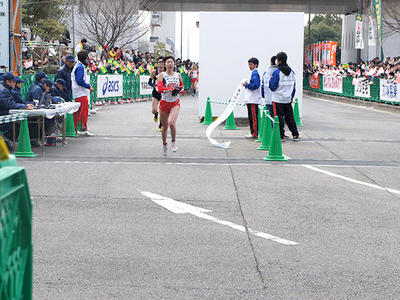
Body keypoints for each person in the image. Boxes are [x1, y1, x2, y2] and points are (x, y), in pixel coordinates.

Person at [157, 56, 184, 156]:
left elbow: (182, 88)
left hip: (175, 103)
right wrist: (171, 89)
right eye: (167, 62)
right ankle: (164, 145)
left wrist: (179, 90)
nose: (169, 64)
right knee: (164, 127)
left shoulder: (178, 75)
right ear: (165, 64)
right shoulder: (161, 75)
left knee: (172, 123)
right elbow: (160, 89)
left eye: (171, 62)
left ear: (174, 64)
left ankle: (173, 142)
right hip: (164, 103)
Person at [269, 51, 299, 141]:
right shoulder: (292, 72)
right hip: (287, 99)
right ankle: (295, 134)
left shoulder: (276, 72)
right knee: (290, 117)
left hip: (277, 99)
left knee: (278, 117)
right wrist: (291, 97)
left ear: (279, 61)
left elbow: (273, 87)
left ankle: (281, 135)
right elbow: (294, 86)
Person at [0, 73, 34, 142]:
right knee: (20, 122)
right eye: (13, 81)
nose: (15, 83)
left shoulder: (5, 88)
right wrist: (25, 106)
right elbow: (10, 104)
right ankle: (6, 139)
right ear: (7, 82)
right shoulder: (3, 90)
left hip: (3, 114)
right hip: (2, 116)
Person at [71, 50, 94, 136]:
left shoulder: (79, 66)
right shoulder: (80, 67)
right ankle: (82, 128)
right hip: (80, 93)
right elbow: (79, 80)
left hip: (78, 92)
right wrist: (88, 86)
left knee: (78, 112)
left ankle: (77, 128)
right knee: (83, 112)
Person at [242, 57, 262, 139]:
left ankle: (254, 133)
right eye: (249, 64)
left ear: (256, 65)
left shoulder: (255, 73)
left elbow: (255, 85)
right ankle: (253, 132)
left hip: (253, 99)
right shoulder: (252, 73)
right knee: (251, 116)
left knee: (253, 116)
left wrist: (246, 85)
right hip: (251, 99)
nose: (249, 66)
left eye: (251, 64)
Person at [149, 57, 164, 131]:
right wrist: (153, 85)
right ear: (157, 64)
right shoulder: (154, 72)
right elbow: (149, 82)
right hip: (155, 92)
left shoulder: (166, 73)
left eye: (162, 62)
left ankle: (161, 125)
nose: (161, 63)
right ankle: (155, 114)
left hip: (163, 93)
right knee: (154, 110)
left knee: (162, 110)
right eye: (159, 62)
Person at [262, 55, 277, 120]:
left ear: (270, 62)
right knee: (276, 117)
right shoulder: (278, 72)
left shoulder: (265, 73)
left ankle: (269, 129)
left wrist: (263, 95)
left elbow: (262, 86)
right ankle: (275, 129)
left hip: (267, 98)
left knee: (268, 116)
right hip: (276, 99)